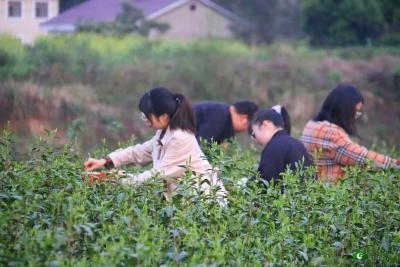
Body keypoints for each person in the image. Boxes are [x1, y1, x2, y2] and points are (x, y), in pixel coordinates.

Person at [84, 87, 227, 202]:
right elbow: (139, 152)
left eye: (147, 115)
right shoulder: (165, 132)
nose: (145, 120)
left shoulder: (180, 138)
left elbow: (157, 176)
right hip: (188, 203)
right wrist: (104, 161)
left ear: (163, 116)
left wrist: (112, 179)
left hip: (206, 203)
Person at [301, 84, 399, 183]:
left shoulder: (311, 125)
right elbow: (361, 158)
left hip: (315, 190)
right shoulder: (331, 134)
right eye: (356, 111)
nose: (356, 116)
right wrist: (394, 164)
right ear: (344, 110)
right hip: (331, 194)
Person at [250, 105, 312, 185]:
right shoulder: (297, 143)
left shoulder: (274, 146)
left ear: (265, 125)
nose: (255, 139)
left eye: (255, 133)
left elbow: (265, 181)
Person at [194, 100, 258, 144]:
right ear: (243, 118)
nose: (245, 130)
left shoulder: (227, 123)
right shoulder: (220, 115)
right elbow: (202, 145)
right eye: (248, 127)